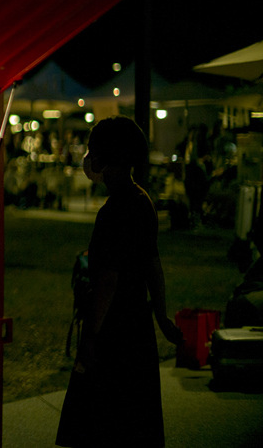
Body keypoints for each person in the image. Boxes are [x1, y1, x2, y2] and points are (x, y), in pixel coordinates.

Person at [56, 116, 184, 447]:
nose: (89, 158)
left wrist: (91, 337)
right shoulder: (143, 201)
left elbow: (108, 281)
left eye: (93, 150)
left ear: (106, 158)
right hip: (138, 325)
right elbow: (152, 263)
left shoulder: (114, 212)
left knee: (104, 424)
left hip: (114, 331)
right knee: (136, 423)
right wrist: (161, 317)